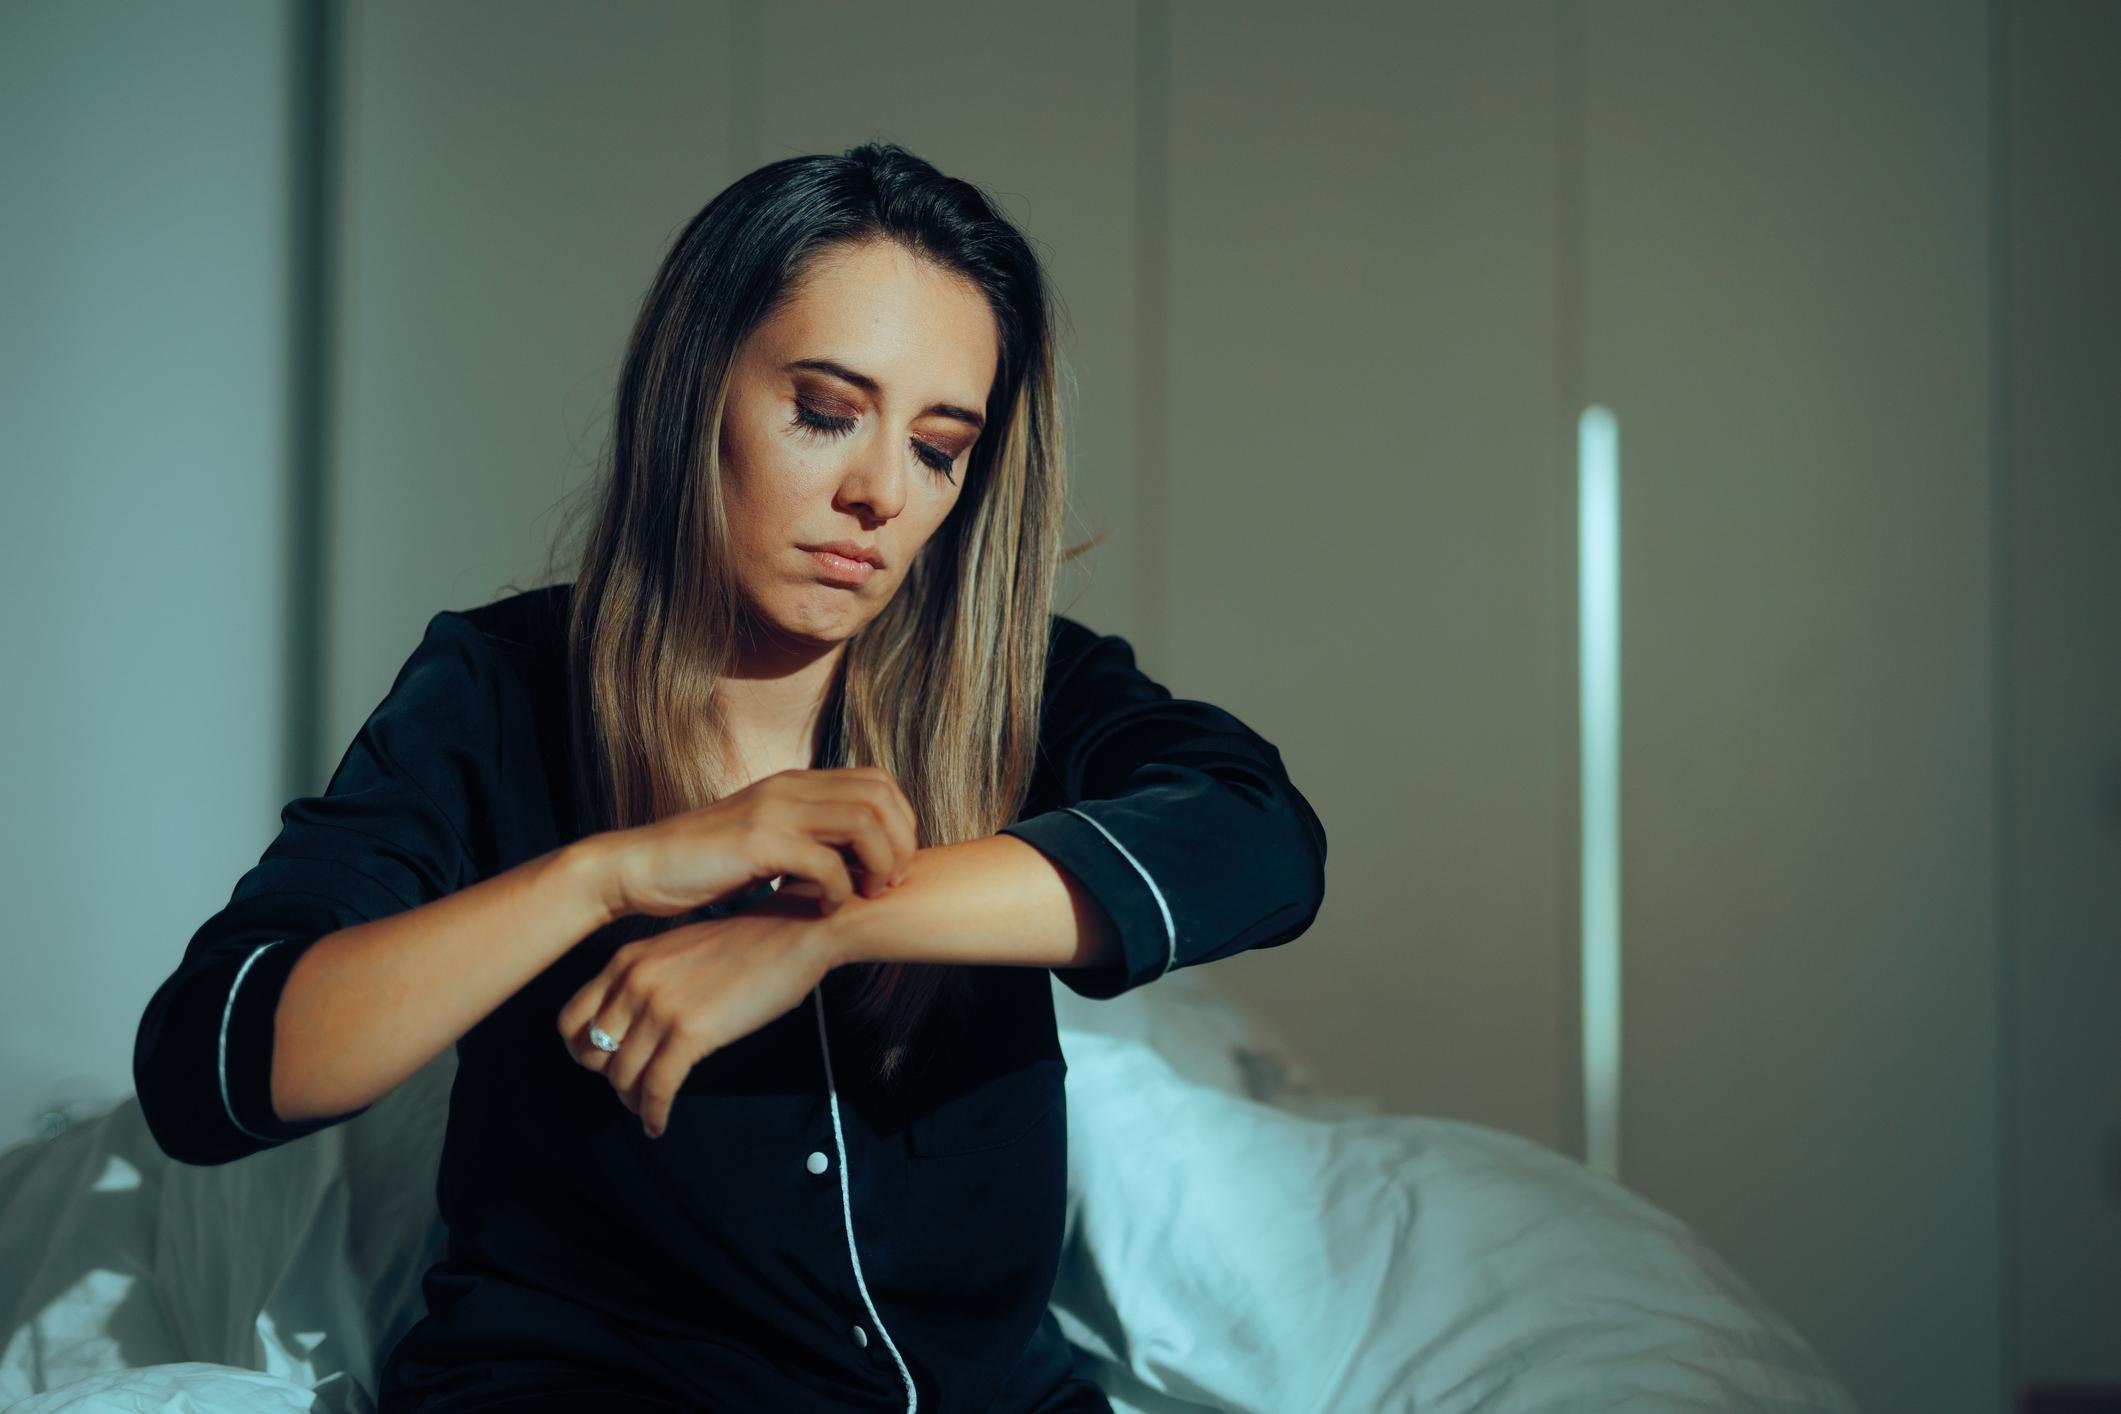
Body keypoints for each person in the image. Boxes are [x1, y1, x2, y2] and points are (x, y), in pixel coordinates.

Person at [131, 142, 1328, 1414]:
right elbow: (211, 1067)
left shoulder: (1019, 686)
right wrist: (608, 876)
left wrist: (832, 927)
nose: (879, 492)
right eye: (825, 412)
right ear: (696, 389)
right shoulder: (501, 687)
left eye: (938, 447)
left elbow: (1261, 835)